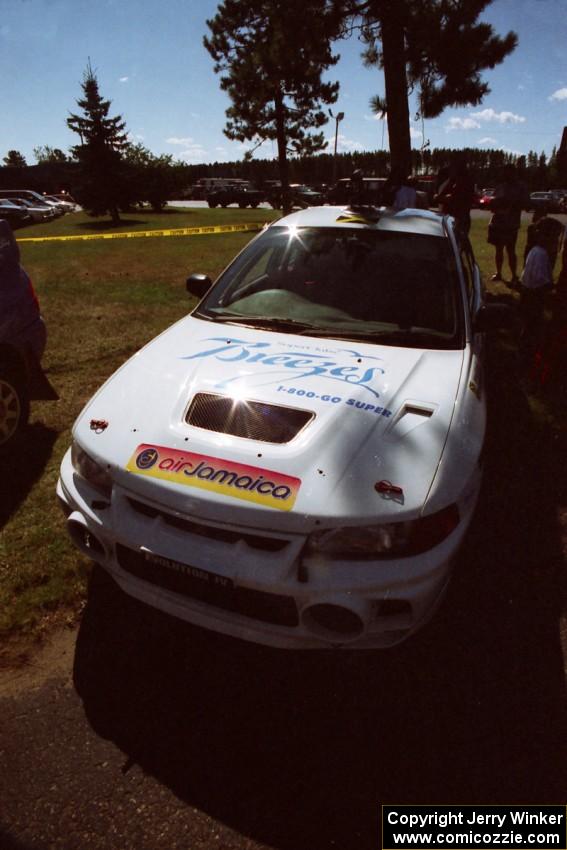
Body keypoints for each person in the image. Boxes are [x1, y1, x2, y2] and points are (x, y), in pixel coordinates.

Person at [487, 164, 529, 285]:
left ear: (514, 173)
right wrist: (494, 204)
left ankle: (514, 276)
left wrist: (512, 204)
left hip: (511, 224)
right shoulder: (500, 186)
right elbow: (492, 202)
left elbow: (525, 203)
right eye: (505, 172)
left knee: (511, 250)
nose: (506, 175)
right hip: (497, 223)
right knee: (498, 249)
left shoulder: (520, 187)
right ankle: (499, 273)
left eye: (509, 172)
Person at [519, 221, 553, 361]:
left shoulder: (535, 250)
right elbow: (539, 279)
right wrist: (550, 288)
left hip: (528, 293)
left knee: (529, 324)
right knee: (532, 325)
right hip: (534, 295)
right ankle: (527, 354)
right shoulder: (541, 254)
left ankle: (525, 351)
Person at [435, 157, 476, 235]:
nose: (450, 171)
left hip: (458, 221)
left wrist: (451, 180)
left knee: (458, 243)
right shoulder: (458, 182)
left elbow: (443, 198)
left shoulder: (462, 184)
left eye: (452, 168)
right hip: (459, 220)